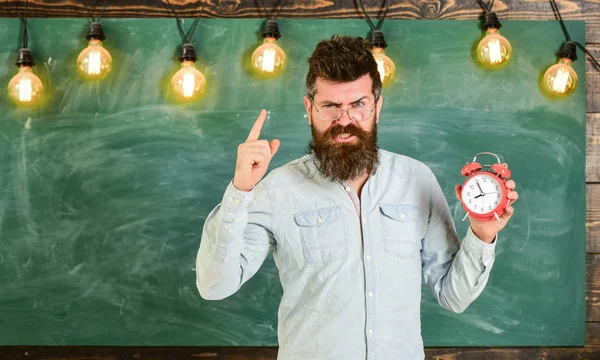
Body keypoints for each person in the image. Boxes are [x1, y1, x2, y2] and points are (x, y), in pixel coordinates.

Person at [196, 35, 519, 360]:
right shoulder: (276, 190)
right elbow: (214, 286)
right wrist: (240, 190)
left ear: (377, 107)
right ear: (309, 108)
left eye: (358, 105)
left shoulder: (417, 179)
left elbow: (454, 296)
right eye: (331, 106)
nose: (345, 120)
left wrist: (482, 233)